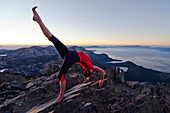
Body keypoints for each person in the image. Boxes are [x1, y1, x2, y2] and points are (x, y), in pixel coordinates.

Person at [32, 6, 105, 103]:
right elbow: (102, 71)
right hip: (71, 55)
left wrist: (91, 77)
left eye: (90, 71)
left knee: (52, 38)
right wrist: (101, 80)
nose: (92, 69)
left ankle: (38, 19)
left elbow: (98, 71)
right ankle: (61, 95)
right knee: (52, 39)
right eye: (90, 71)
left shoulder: (88, 66)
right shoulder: (90, 66)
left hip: (69, 53)